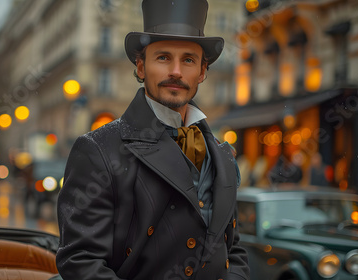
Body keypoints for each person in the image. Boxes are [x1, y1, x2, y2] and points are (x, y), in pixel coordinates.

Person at [55, 0, 250, 279]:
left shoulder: (222, 154)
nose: (176, 71)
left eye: (188, 60)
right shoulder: (97, 150)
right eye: (163, 58)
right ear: (141, 67)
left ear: (203, 72)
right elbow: (81, 259)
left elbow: (233, 250)